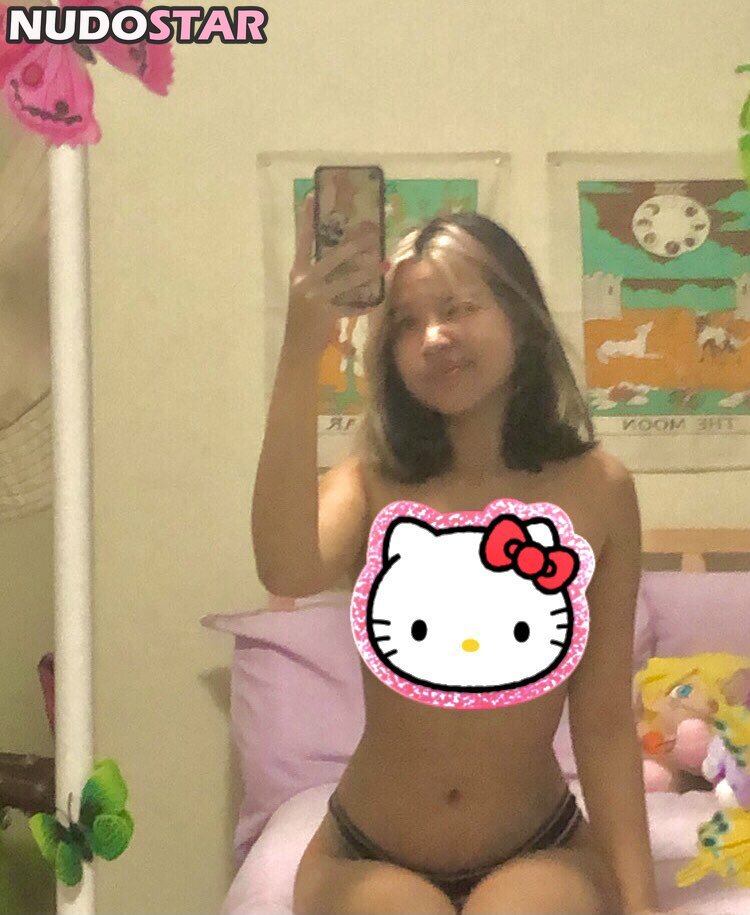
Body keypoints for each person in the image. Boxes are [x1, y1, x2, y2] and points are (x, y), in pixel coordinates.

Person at [252, 194, 662, 914]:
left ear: (520, 317)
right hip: (367, 851)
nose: (434, 337)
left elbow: (602, 724)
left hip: (536, 845)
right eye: (406, 323)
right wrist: (301, 345)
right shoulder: (371, 481)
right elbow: (286, 568)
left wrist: (639, 904)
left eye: (458, 308)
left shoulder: (598, 490)